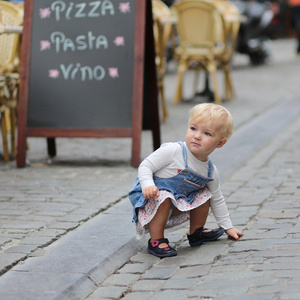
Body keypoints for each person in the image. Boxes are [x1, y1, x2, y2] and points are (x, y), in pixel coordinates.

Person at [129, 103, 243, 258]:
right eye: (193, 128)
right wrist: (148, 185)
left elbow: (217, 199)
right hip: (150, 198)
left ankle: (196, 232)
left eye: (207, 133)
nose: (197, 136)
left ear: (220, 143)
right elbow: (145, 166)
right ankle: (156, 240)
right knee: (164, 196)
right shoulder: (174, 150)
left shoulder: (210, 170)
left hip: (178, 202)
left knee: (206, 193)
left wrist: (228, 227)